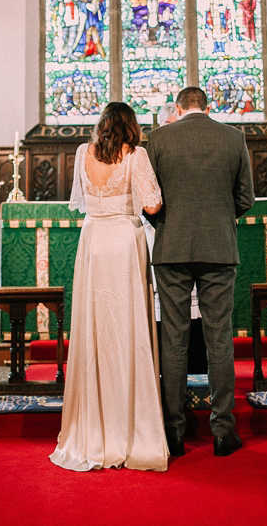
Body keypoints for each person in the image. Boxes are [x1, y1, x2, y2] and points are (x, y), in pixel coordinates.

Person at [50, 101, 168, 472]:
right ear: (131, 127)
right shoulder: (136, 155)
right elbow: (151, 206)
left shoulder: (83, 152)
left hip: (94, 240)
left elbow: (81, 201)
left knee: (96, 329)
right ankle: (130, 428)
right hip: (123, 242)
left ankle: (92, 429)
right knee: (126, 329)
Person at [146, 86, 255, 458]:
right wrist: (220, 222)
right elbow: (245, 198)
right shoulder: (233, 137)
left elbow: (150, 201)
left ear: (178, 108)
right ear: (208, 108)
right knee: (219, 339)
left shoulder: (157, 139)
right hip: (219, 248)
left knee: (173, 340)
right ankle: (223, 432)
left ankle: (173, 432)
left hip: (171, 249)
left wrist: (168, 224)